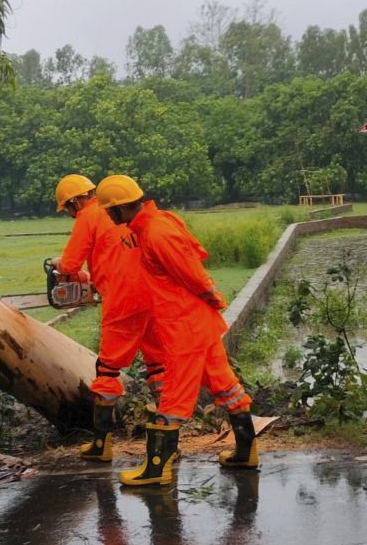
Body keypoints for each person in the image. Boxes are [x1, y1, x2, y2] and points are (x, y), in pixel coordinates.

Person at [95, 174, 261, 487]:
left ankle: (157, 469)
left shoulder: (156, 232)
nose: (107, 217)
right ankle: (246, 451)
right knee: (226, 386)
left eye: (109, 211)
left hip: (185, 327)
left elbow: (192, 273)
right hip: (196, 325)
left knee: (173, 397)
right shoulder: (149, 227)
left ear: (119, 209)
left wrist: (212, 296)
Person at [53, 174, 163, 462]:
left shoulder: (88, 217)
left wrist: (60, 266)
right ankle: (168, 437)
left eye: (67, 208)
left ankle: (103, 443)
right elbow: (116, 256)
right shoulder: (120, 210)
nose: (69, 213)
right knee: (157, 366)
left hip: (122, 300)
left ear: (77, 201)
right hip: (150, 294)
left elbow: (71, 263)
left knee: (107, 371)